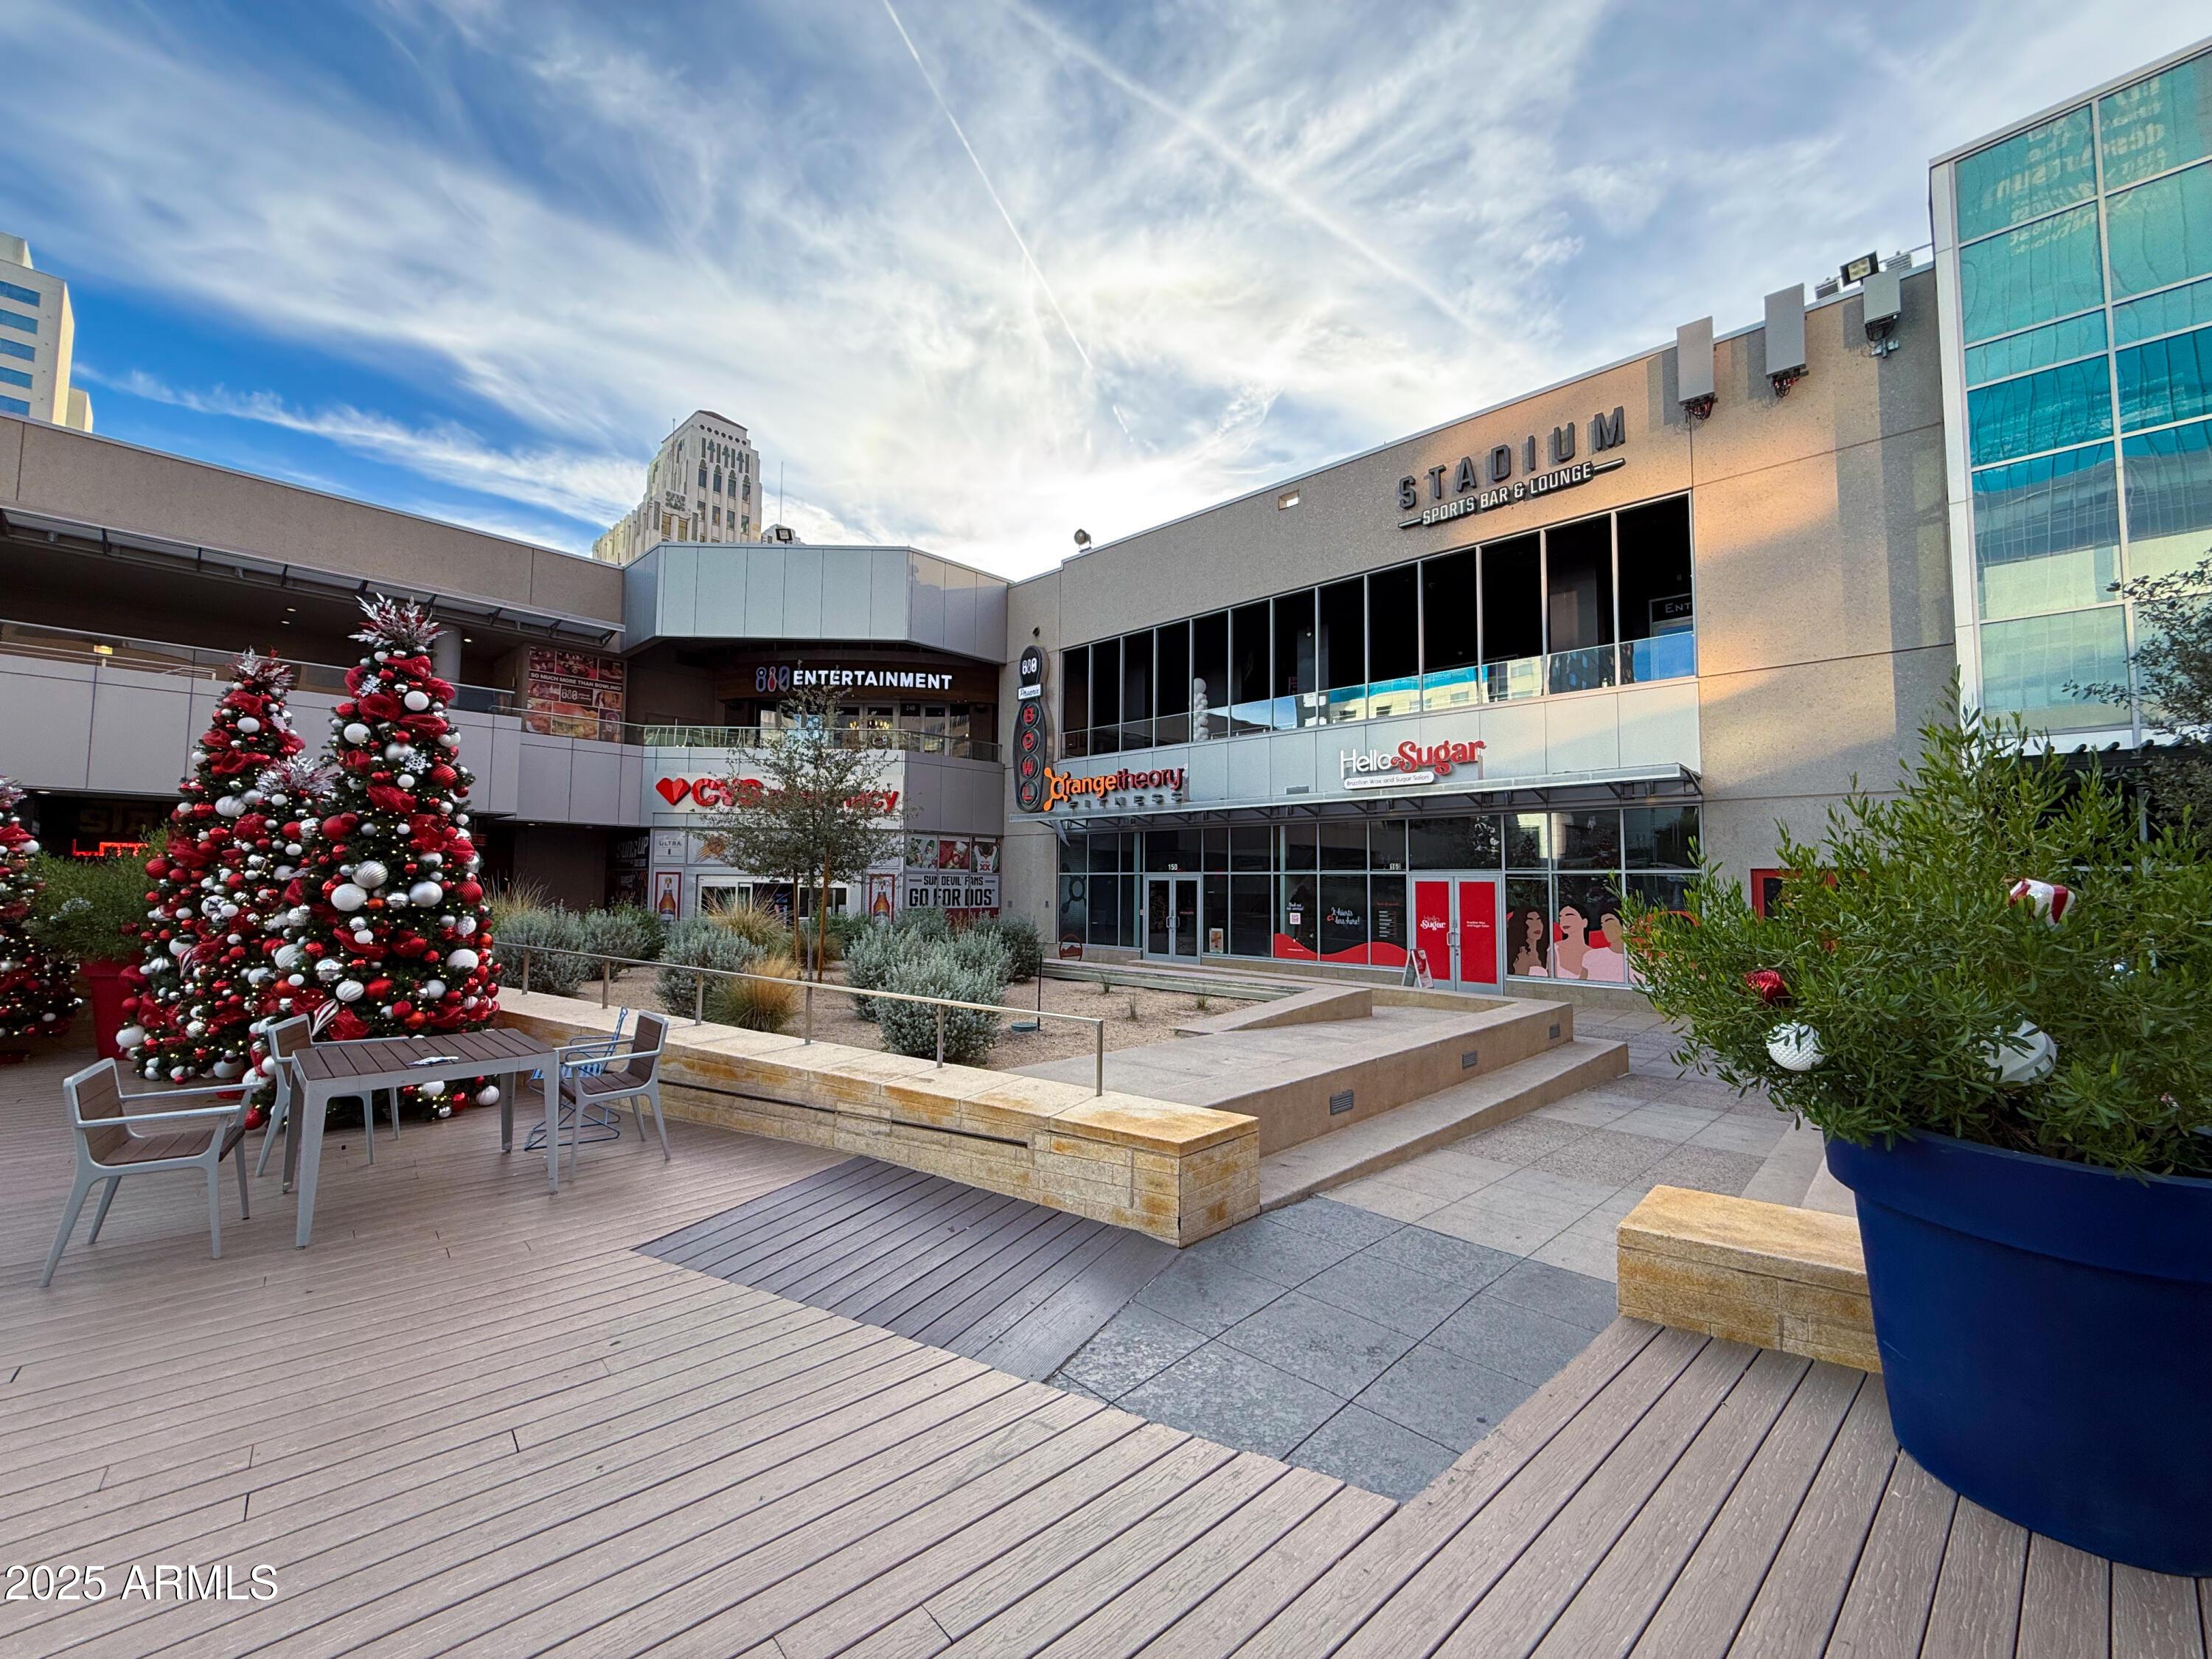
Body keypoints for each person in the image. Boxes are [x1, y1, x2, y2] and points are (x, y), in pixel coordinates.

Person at [1580, 908, 1628, 981]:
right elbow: (1582, 983)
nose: (1604, 928)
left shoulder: (1638, 959)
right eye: (1602, 924)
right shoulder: (1592, 956)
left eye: (1609, 921)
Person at [1510, 905, 1551, 977]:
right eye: (1531, 920)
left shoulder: (1544, 952)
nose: (1536, 925)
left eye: (1539, 920)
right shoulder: (1521, 955)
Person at [1554, 903, 1590, 979]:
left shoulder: (1592, 953)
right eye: (1561, 918)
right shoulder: (1555, 948)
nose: (1563, 921)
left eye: (1569, 916)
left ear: (1584, 922)